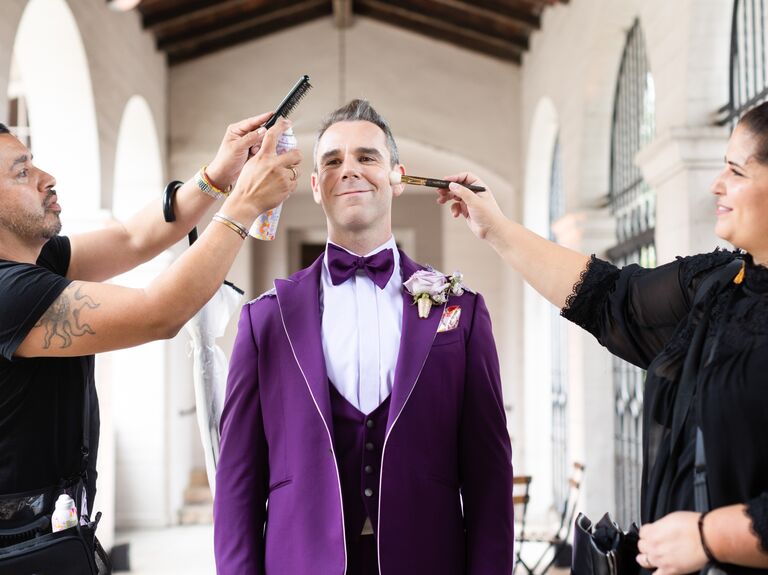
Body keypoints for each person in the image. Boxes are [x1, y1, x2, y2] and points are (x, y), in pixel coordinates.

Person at [435, 102, 768, 574]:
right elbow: (611, 297)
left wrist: (706, 536)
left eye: (736, 170)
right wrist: (497, 230)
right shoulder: (718, 287)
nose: (717, 183)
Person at [213, 99, 514, 575]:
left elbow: (489, 476)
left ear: (397, 175)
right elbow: (237, 483)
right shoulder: (263, 321)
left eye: (367, 157)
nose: (349, 169)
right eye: (332, 161)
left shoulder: (462, 312)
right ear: (314, 186)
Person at [0, 113, 301, 517]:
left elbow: (134, 238)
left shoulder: (41, 262)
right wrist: (244, 204)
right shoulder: (9, 294)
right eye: (22, 173)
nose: (47, 176)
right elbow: (158, 312)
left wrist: (218, 173)